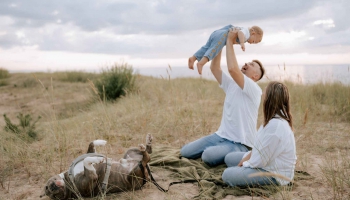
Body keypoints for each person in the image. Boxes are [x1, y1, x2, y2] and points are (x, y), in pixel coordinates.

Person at [180, 30, 265, 167]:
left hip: (241, 143)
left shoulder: (254, 90)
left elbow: (232, 69)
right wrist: (221, 42)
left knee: (207, 156)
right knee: (185, 152)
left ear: (255, 77)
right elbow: (215, 68)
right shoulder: (232, 84)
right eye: (248, 62)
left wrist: (229, 41)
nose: (247, 64)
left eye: (252, 65)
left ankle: (238, 153)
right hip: (220, 136)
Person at [222, 81, 297, 186]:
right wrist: (244, 160)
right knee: (229, 158)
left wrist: (243, 164)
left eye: (265, 92)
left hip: (275, 174)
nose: (262, 94)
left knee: (227, 175)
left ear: (270, 98)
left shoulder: (276, 126)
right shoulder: (273, 119)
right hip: (265, 162)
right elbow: (258, 150)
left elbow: (260, 161)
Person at [188, 24, 263, 75]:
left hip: (218, 33)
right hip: (223, 35)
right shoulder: (246, 33)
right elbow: (240, 33)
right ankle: (201, 63)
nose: (251, 43)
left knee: (207, 47)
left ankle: (193, 58)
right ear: (253, 32)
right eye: (253, 41)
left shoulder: (245, 31)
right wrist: (242, 43)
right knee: (214, 50)